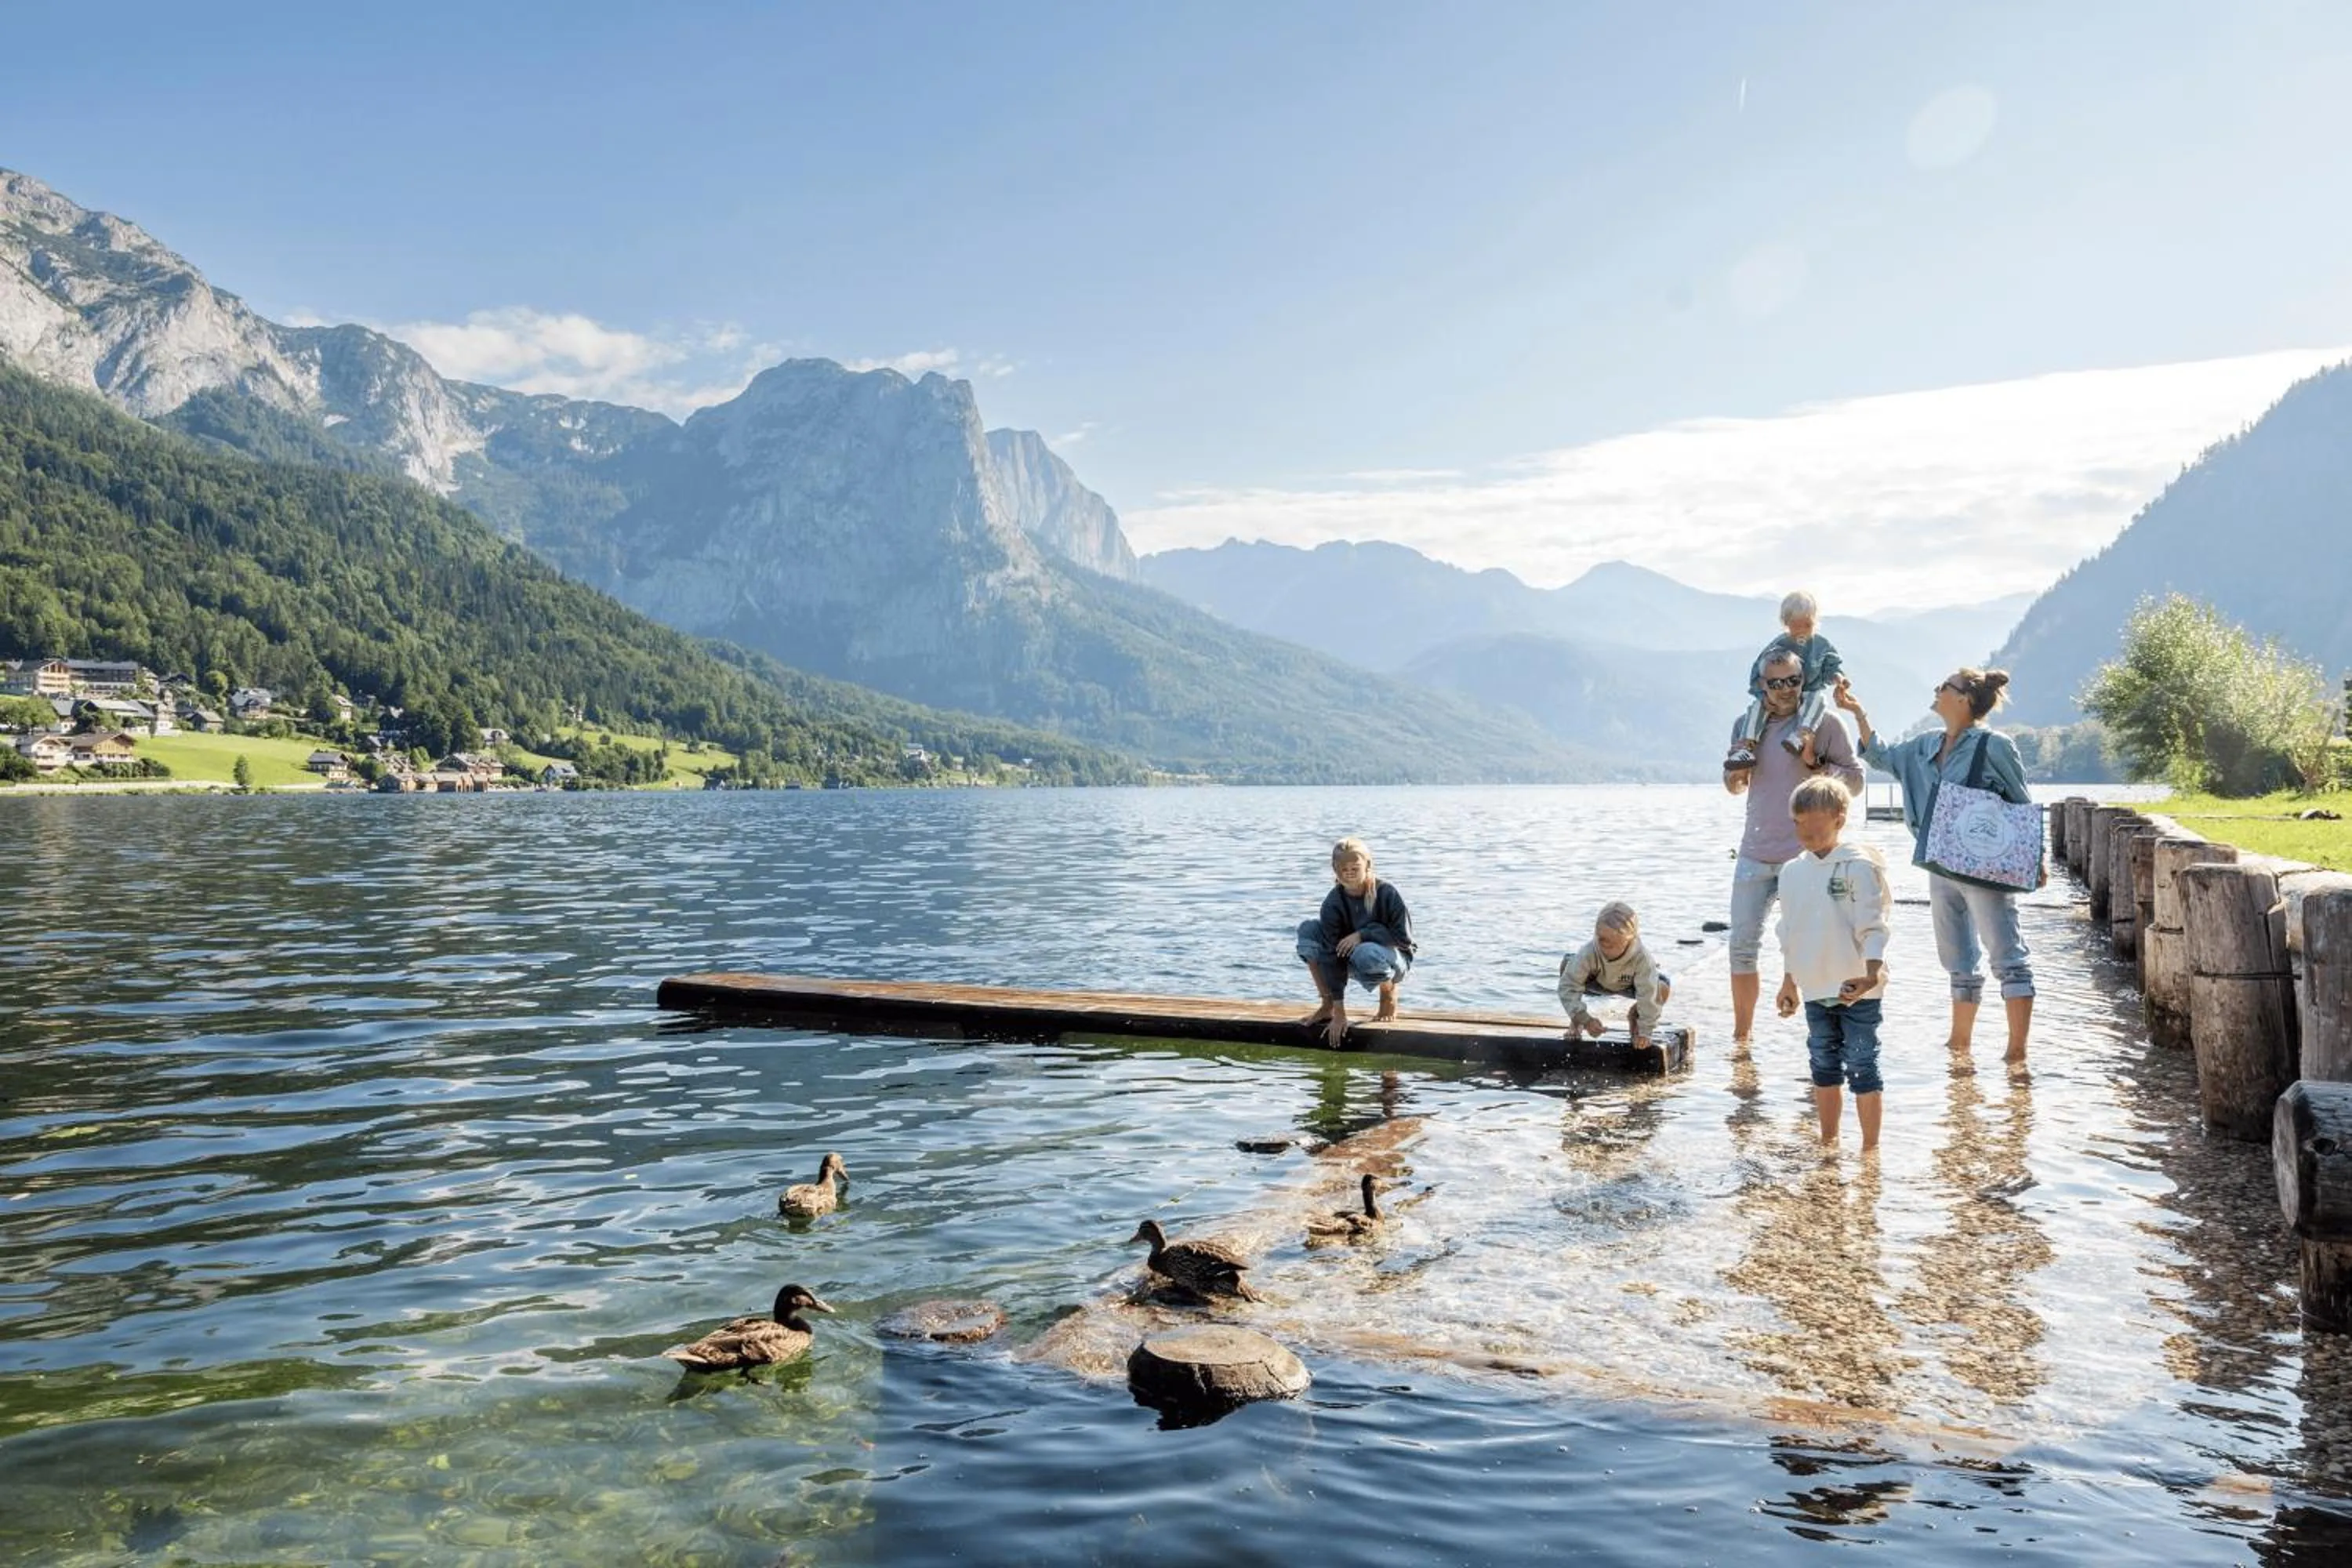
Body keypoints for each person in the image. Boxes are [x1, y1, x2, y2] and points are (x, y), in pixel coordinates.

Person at [1835, 667, 2039, 1065]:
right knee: (1958, 961)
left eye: (1944, 686)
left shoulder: (1995, 746)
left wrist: (2035, 862)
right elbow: (1880, 755)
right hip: (1939, 866)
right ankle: (1959, 1047)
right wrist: (1856, 713)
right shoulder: (1925, 746)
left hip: (1985, 873)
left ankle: (2017, 1054)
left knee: (2008, 959)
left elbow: (2021, 805)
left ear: (1962, 699)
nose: (1936, 690)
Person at [1723, 648, 1865, 1046]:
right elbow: (1734, 785)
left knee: (1813, 947)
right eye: (1776, 682)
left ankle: (1821, 1039)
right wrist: (1736, 776)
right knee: (1741, 947)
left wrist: (1815, 761)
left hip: (1807, 856)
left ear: (1804, 681)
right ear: (1760, 685)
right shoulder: (1746, 725)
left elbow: (1855, 780)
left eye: (1793, 681)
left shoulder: (1824, 723)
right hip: (1754, 852)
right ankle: (1742, 1041)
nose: (1786, 690)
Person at [1773, 775, 1892, 1151]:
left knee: (1862, 1063)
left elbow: (1874, 924)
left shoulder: (1857, 866)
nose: (1804, 828)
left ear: (1839, 819)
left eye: (1813, 820)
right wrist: (1789, 982)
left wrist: (1871, 974)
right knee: (1823, 1065)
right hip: (1813, 987)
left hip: (1858, 989)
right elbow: (1787, 931)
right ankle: (1829, 1142)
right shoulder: (1791, 871)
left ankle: (1870, 1149)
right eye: (1798, 821)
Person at [1298, 836, 1414, 1050]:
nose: (1349, 872)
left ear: (1368, 865)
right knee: (1308, 931)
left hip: (1393, 958)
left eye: (1355, 866)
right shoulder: (1332, 903)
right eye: (1343, 867)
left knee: (1366, 952)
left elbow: (1403, 939)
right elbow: (1331, 955)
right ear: (1334, 869)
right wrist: (1339, 1012)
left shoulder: (1387, 893)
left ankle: (1388, 993)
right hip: (1351, 958)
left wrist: (1362, 934)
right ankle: (1326, 1005)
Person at [1726, 591, 1844, 773]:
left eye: (1807, 625)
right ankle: (1745, 747)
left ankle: (1801, 735)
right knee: (1757, 709)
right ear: (1786, 623)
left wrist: (1838, 679)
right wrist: (1762, 694)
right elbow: (1760, 670)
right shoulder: (1778, 645)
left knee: (1818, 702)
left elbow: (1832, 666)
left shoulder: (1821, 646)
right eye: (1796, 626)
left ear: (1815, 621)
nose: (1802, 630)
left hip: (1809, 691)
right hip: (1777, 695)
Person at [1558, 901, 1671, 1050]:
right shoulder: (1589, 952)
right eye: (1599, 939)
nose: (1602, 945)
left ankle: (1635, 1016)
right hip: (1596, 982)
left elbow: (1648, 994)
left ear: (1628, 941)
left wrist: (1646, 1031)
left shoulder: (1641, 958)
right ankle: (1575, 1021)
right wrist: (1585, 1020)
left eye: (1609, 943)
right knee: (1568, 965)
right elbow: (1569, 987)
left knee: (1661, 988)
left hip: (1630, 986)